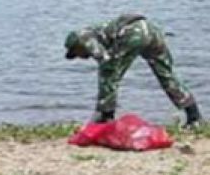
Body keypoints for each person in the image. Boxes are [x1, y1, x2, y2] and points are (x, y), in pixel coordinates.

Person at [64, 14, 201, 126]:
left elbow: (105, 62)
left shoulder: (83, 37)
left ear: (77, 46)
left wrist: (101, 107)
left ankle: (106, 117)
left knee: (108, 71)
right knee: (166, 74)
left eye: (77, 54)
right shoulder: (95, 32)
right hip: (150, 29)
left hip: (133, 32)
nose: (81, 57)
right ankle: (194, 116)